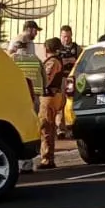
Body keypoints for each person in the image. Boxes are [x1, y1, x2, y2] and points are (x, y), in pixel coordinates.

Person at [10, 41, 46, 173]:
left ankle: (20, 163)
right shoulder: (36, 59)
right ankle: (29, 163)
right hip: (35, 97)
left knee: (17, 129)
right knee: (31, 128)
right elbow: (45, 79)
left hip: (18, 97)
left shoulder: (12, 59)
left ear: (16, 48)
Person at [38, 37, 65, 170]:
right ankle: (48, 157)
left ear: (47, 48)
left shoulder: (52, 62)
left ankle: (47, 159)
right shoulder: (55, 60)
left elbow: (46, 79)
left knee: (46, 127)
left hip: (49, 96)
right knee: (49, 127)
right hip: (54, 96)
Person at [56, 25, 82, 139]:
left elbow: (82, 62)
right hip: (61, 78)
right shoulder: (57, 48)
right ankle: (60, 129)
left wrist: (74, 61)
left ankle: (72, 127)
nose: (66, 39)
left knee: (72, 103)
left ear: (71, 35)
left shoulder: (77, 48)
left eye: (68, 36)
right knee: (60, 104)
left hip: (72, 77)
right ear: (60, 36)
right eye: (63, 36)